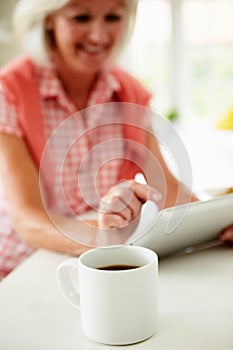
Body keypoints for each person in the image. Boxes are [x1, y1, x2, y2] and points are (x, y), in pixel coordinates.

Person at [0, 0, 230, 280]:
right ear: (48, 18)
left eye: (112, 17)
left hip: (99, 264)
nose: (99, 35)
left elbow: (167, 190)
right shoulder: (10, 91)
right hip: (20, 266)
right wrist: (106, 241)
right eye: (81, 18)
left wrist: (218, 223)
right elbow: (27, 220)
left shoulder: (129, 91)